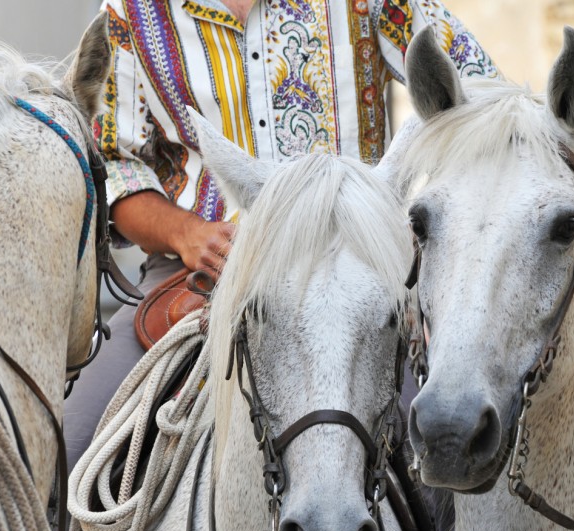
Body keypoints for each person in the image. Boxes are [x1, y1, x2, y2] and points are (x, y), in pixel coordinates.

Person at [63, 0, 496, 468]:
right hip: (195, 277)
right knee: (73, 451)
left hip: (366, 275)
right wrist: (186, 233)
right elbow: (112, 164)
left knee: (452, 454)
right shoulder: (132, 11)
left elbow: (481, 95)